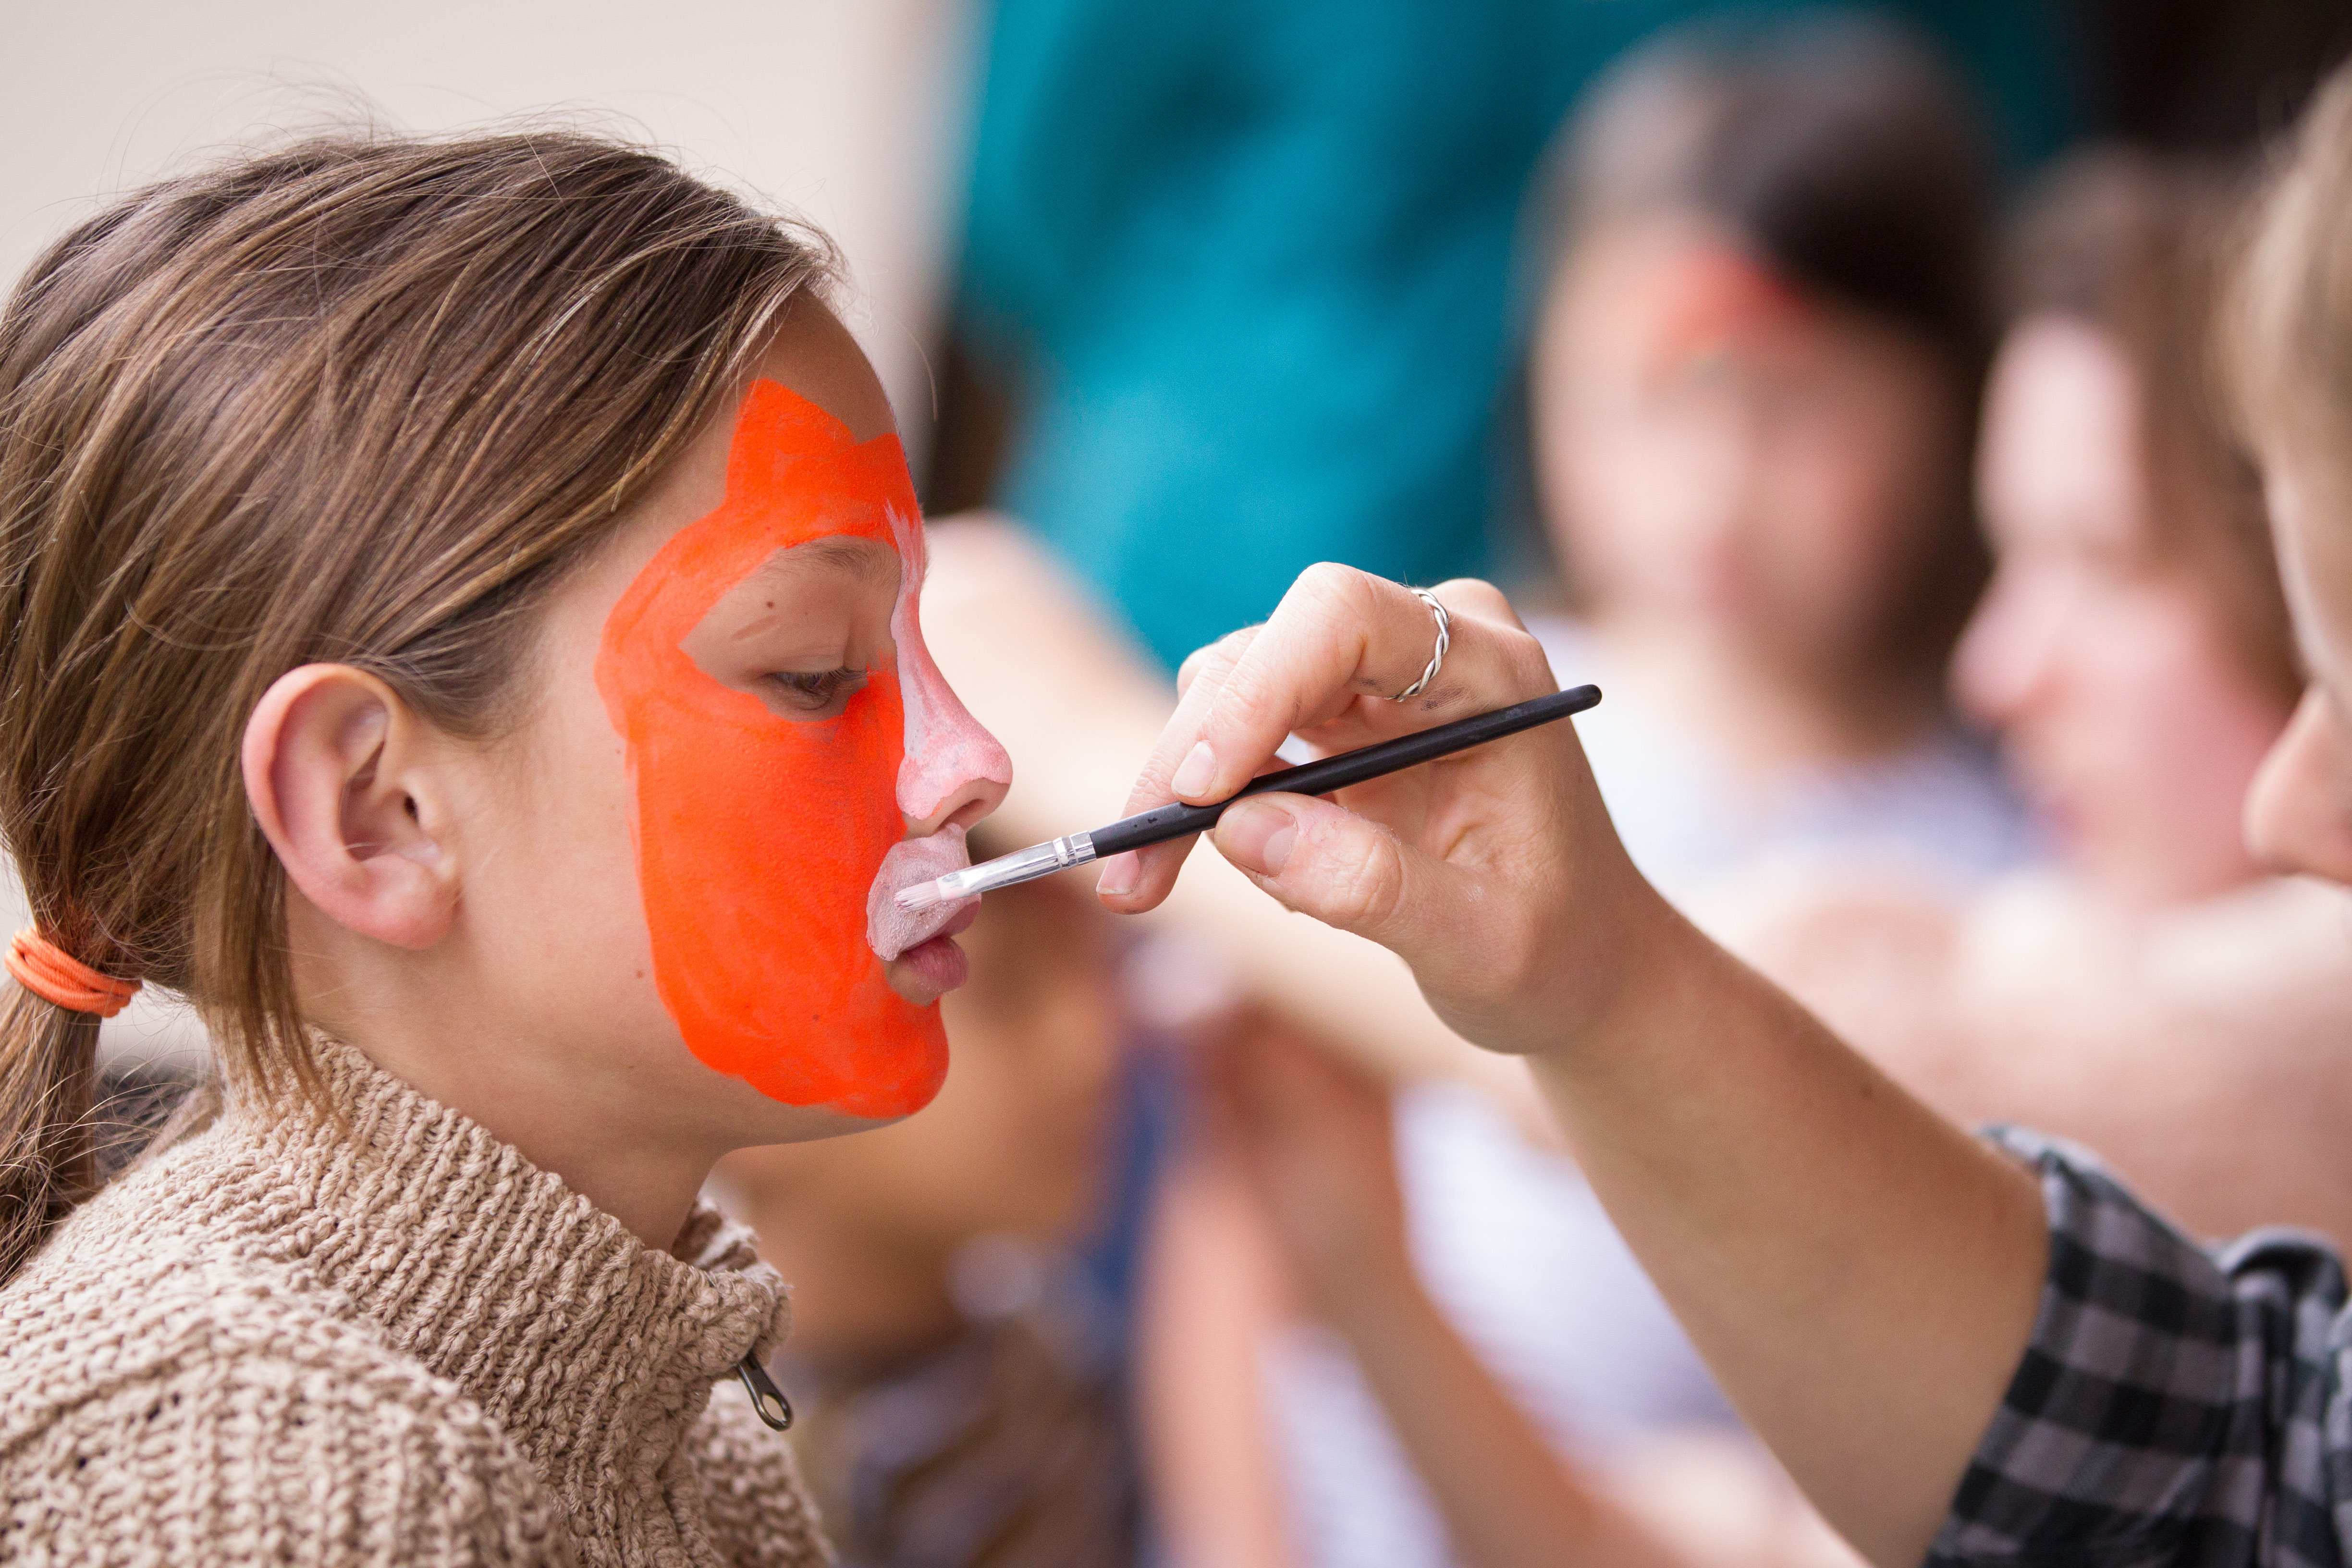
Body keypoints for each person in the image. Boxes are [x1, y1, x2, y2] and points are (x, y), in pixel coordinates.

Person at [1092, 56, 2352, 1568]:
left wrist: (1055, 698)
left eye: (1798, 404)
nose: (1716, 482)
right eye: (1650, 394)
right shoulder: (1432, 734)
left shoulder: (2008, 846)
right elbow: (1255, 1182)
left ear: (1932, 402)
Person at [0, 131, 1015, 1563]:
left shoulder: (684, 1437)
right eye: (815, 669)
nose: (973, 761)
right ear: (376, 812)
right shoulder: (264, 1477)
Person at [715, 843, 1135, 1567]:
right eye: (1007, 992)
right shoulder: (698, 1467)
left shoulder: (1051, 1369)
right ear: (759, 1084)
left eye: (1098, 971)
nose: (1094, 1047)